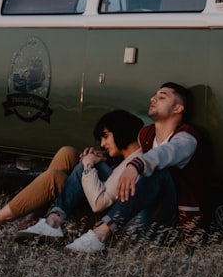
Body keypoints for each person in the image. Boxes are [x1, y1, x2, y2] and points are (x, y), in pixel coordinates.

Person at [65, 81, 208, 253]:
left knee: (158, 172)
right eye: (154, 95)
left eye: (162, 97)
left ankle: (102, 233)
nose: (153, 98)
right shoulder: (146, 135)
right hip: (138, 215)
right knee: (87, 164)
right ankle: (54, 220)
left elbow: (163, 154)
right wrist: (102, 158)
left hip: (169, 222)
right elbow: (132, 153)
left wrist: (135, 166)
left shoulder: (186, 139)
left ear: (178, 108)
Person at [0, 109, 143, 237]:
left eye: (106, 137)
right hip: (100, 200)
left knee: (55, 178)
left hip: (101, 217)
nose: (102, 143)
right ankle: (34, 217)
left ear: (122, 132)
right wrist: (100, 158)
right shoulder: (128, 159)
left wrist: (88, 166)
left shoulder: (133, 165)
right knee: (67, 153)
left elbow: (99, 203)